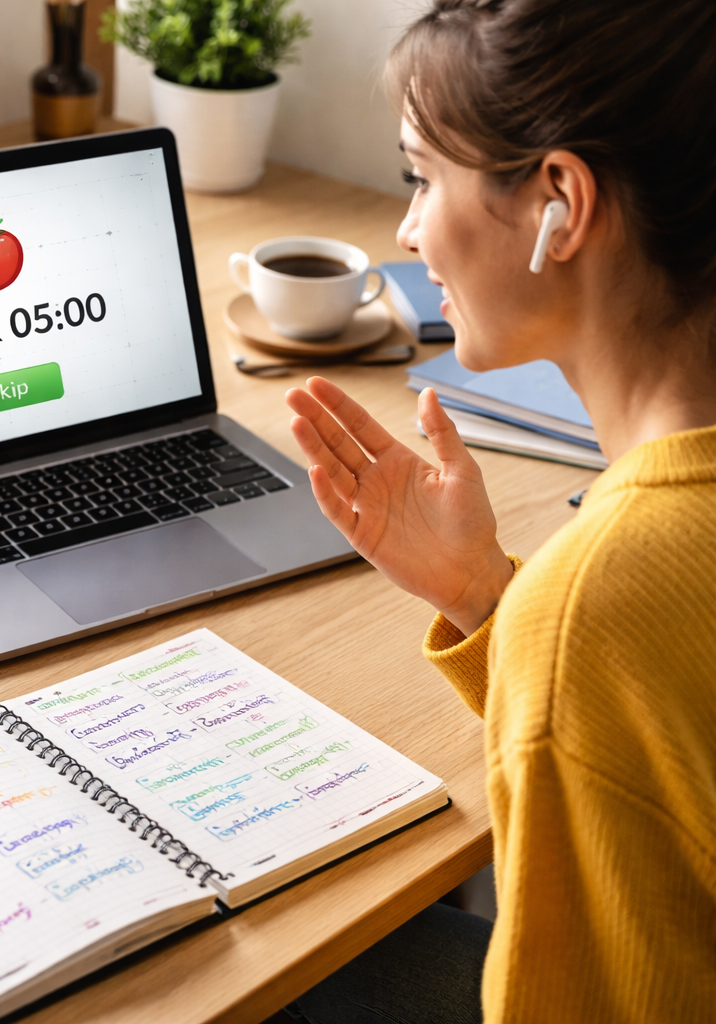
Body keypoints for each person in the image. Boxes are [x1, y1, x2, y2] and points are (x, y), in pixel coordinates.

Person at [282, 1, 716, 1021]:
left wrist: (546, 626)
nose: (407, 230)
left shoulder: (595, 604)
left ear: (561, 200)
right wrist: (489, 600)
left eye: (421, 177)